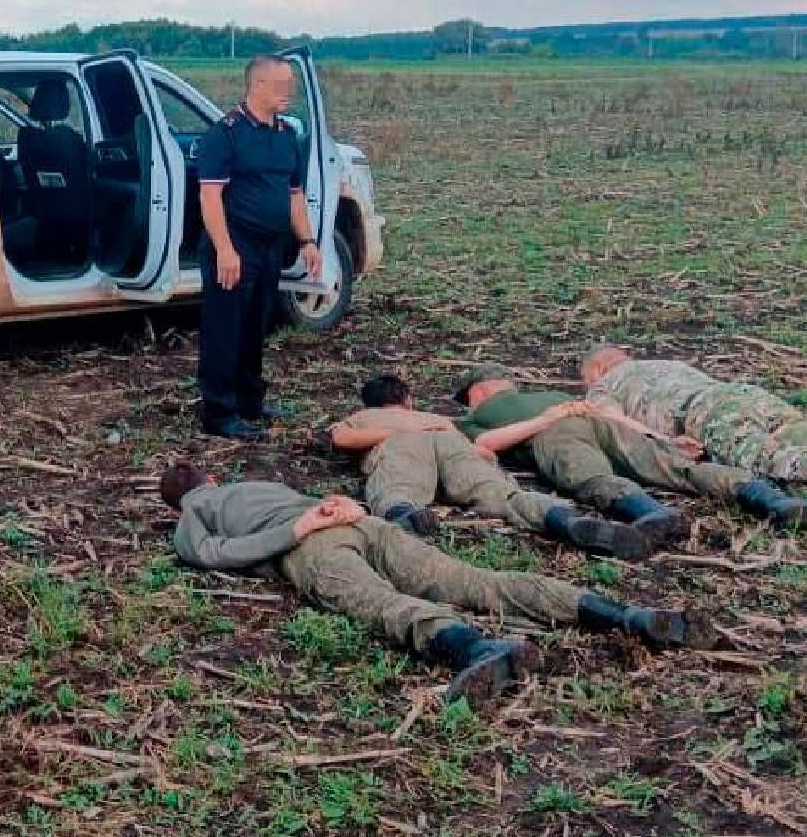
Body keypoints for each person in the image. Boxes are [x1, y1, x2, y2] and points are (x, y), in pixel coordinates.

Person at [160, 466, 712, 704]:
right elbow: (308, 505)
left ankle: (477, 649)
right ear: (210, 478)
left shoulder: (192, 511)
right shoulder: (250, 485)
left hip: (313, 542)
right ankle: (625, 615)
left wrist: (297, 529)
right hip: (357, 522)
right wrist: (331, 511)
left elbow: (210, 555)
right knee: (473, 579)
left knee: (383, 605)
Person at [453, 365, 806, 539]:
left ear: (477, 392)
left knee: (592, 478)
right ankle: (770, 500)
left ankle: (650, 514)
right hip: (586, 418)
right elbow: (609, 414)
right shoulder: (549, 395)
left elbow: (484, 444)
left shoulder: (476, 415)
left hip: (558, 429)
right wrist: (659, 440)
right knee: (677, 469)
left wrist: (545, 421)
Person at [329, 374, 649, 559]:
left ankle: (402, 514)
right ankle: (559, 518)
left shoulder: (364, 417)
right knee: (497, 491)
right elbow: (477, 451)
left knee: (398, 485)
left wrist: (402, 433)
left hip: (403, 445)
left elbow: (342, 439)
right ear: (409, 400)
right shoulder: (437, 419)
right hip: (447, 441)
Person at [195, 55, 322, 440]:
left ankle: (250, 399)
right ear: (258, 85)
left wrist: (308, 240)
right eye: (282, 85)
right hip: (234, 245)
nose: (289, 92)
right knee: (225, 328)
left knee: (256, 326)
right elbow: (210, 197)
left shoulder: (286, 136)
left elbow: (294, 194)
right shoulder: (226, 134)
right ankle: (218, 412)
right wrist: (225, 250)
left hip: (270, 247)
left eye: (291, 85)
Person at [582, 344, 807, 488]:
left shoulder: (604, 385)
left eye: (585, 379)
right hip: (745, 394)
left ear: (596, 368)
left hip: (706, 412)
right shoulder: (665, 364)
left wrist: (665, 442)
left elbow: (613, 419)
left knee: (772, 461)